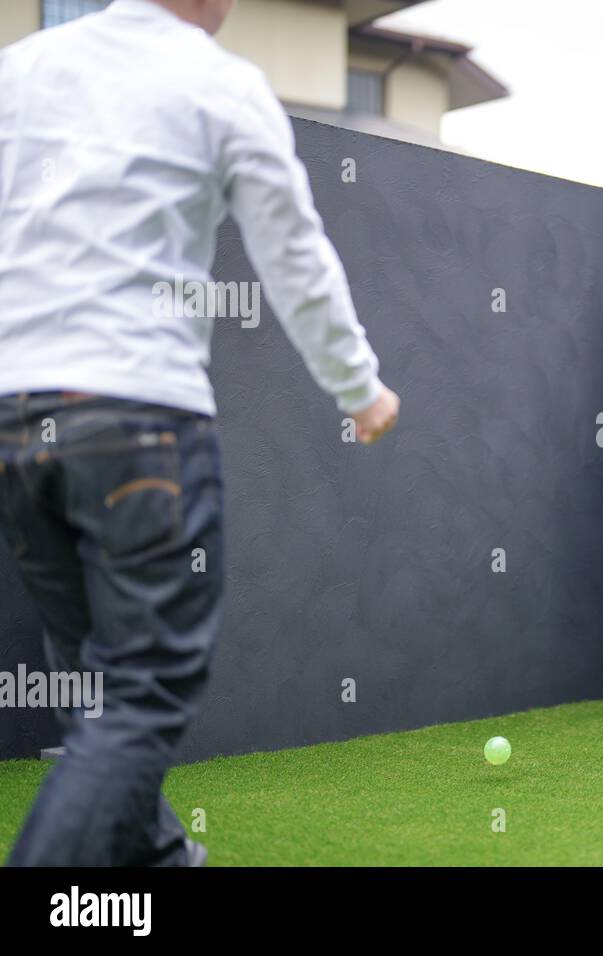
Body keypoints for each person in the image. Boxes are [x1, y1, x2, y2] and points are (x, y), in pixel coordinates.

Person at [0, 0, 400, 865]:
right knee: (143, 696)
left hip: (17, 423)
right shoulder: (220, 84)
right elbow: (293, 252)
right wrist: (358, 388)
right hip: (138, 421)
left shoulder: (23, 70)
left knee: (96, 695)